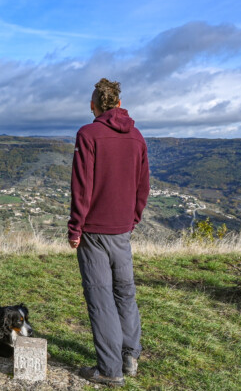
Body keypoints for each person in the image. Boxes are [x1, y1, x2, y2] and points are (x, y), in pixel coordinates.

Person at [68, 78, 150, 387]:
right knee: (125, 292)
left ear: (93, 106)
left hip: (94, 230)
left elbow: (82, 188)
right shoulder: (137, 137)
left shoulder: (88, 135)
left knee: (100, 297)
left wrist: (76, 227)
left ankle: (109, 370)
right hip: (122, 230)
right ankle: (130, 356)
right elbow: (143, 186)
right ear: (117, 103)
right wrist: (133, 218)